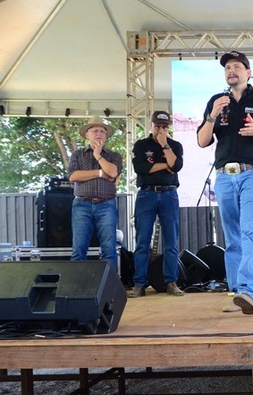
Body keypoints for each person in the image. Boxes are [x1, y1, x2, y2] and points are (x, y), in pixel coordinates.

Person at [197, 51, 253, 315]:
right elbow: (202, 141)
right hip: (225, 176)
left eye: (237, 66)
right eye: (227, 67)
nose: (231, 70)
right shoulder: (217, 101)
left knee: (250, 231)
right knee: (233, 237)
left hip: (252, 174)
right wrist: (212, 116)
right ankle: (238, 292)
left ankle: (248, 289)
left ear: (248, 73)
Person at [129, 111, 184, 298]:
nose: (161, 130)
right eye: (157, 126)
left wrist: (164, 146)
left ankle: (171, 282)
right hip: (147, 194)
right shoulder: (141, 145)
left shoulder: (175, 145)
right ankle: (139, 284)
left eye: (164, 127)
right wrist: (166, 165)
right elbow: (141, 168)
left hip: (169, 193)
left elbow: (177, 167)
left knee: (171, 240)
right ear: (151, 125)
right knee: (142, 240)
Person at [68, 115, 123, 270]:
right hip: (82, 204)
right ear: (87, 135)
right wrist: (99, 173)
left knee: (109, 249)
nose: (99, 134)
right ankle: (77, 284)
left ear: (106, 135)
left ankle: (109, 283)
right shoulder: (77, 154)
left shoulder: (114, 155)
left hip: (106, 204)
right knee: (79, 248)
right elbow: (73, 176)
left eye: (102, 131)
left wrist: (98, 155)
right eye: (94, 131)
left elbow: (112, 172)